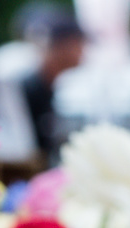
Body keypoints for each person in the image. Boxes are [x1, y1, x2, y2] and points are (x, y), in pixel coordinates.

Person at [19, 14, 86, 162]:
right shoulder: (28, 90)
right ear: (63, 46)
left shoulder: (48, 86)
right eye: (80, 44)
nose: (83, 53)